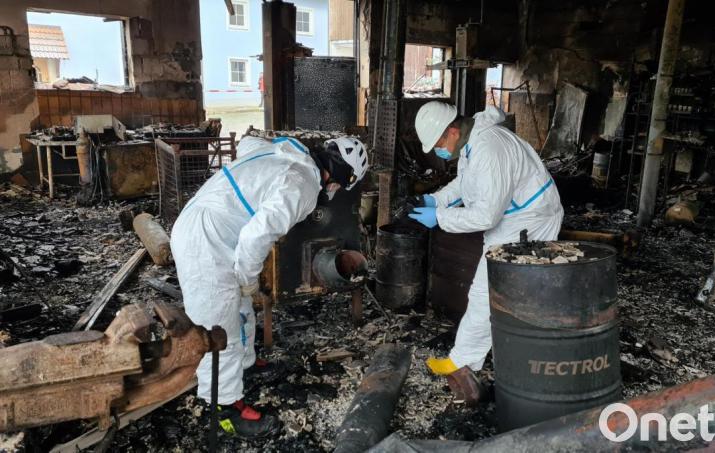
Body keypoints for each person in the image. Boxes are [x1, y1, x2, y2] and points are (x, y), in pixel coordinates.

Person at [170, 134, 368, 437]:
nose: (336, 189)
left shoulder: (288, 153)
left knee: (241, 309)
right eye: (341, 183)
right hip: (205, 241)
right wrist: (248, 279)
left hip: (211, 224)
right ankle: (222, 407)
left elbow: (249, 141)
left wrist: (245, 285)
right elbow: (256, 237)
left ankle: (247, 365)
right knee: (220, 329)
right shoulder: (302, 185)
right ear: (341, 174)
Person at [409, 101, 563, 378]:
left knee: (488, 293)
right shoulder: (472, 142)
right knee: (505, 292)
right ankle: (504, 355)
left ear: (453, 131)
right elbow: (467, 184)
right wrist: (435, 199)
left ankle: (469, 361)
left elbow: (486, 215)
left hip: (530, 220)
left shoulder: (488, 148)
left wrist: (440, 217)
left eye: (438, 143)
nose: (438, 151)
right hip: (516, 217)